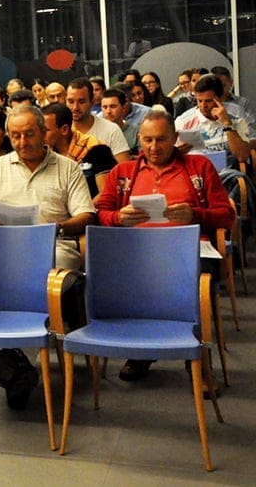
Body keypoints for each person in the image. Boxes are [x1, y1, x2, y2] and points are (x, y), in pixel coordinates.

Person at [94, 110, 234, 381]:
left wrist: (194, 214)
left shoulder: (199, 168)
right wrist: (118, 217)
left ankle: (199, 358)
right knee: (116, 278)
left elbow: (225, 215)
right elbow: (101, 211)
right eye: (147, 140)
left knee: (197, 283)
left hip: (189, 248)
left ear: (175, 138)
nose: (154, 147)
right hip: (137, 250)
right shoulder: (122, 172)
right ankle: (140, 351)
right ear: (138, 138)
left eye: (161, 140)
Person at [0, 107, 96, 270]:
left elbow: (86, 215)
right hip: (6, 243)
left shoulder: (68, 168)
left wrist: (58, 227)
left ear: (43, 133)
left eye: (29, 135)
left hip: (54, 245)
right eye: (16, 136)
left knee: (54, 264)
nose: (22, 143)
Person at [42, 103, 116, 197]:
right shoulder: (45, 154)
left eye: (45, 130)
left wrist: (80, 209)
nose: (40, 135)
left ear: (64, 130)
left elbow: (105, 193)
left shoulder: (97, 150)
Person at [175, 74, 251, 165]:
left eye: (208, 101)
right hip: (196, 174)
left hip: (227, 173)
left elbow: (242, 155)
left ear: (220, 99)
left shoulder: (236, 116)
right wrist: (176, 152)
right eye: (199, 101)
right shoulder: (183, 121)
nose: (203, 106)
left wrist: (227, 124)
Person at [65, 78, 130, 162]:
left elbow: (124, 168)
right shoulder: (60, 131)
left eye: (81, 102)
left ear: (92, 102)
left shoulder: (111, 130)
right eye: (70, 102)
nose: (75, 107)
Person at [100, 87, 139, 155]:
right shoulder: (96, 131)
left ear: (123, 108)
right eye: (105, 107)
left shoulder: (136, 132)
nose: (108, 111)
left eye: (113, 106)